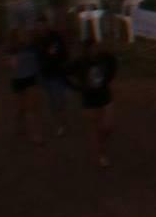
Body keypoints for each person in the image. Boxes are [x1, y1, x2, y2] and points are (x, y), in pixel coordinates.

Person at [73, 37, 118, 168]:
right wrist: (81, 87)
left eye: (96, 47)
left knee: (108, 126)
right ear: (87, 50)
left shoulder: (103, 58)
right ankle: (101, 154)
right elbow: (73, 74)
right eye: (92, 48)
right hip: (90, 99)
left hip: (105, 96)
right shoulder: (81, 63)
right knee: (95, 127)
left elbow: (113, 64)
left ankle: (101, 145)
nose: (95, 50)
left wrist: (109, 78)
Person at [35, 15, 72, 137]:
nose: (41, 28)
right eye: (39, 26)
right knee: (52, 100)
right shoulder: (37, 40)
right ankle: (60, 123)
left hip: (57, 73)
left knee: (59, 100)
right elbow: (37, 59)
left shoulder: (55, 37)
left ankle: (62, 122)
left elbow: (64, 54)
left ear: (47, 24)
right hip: (45, 75)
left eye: (42, 25)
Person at [6, 25, 42, 143]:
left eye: (25, 34)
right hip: (18, 80)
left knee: (32, 107)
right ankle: (19, 125)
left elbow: (37, 62)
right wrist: (18, 51)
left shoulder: (32, 46)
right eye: (21, 34)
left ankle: (35, 135)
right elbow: (12, 66)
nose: (24, 36)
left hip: (31, 79)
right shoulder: (13, 49)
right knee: (20, 108)